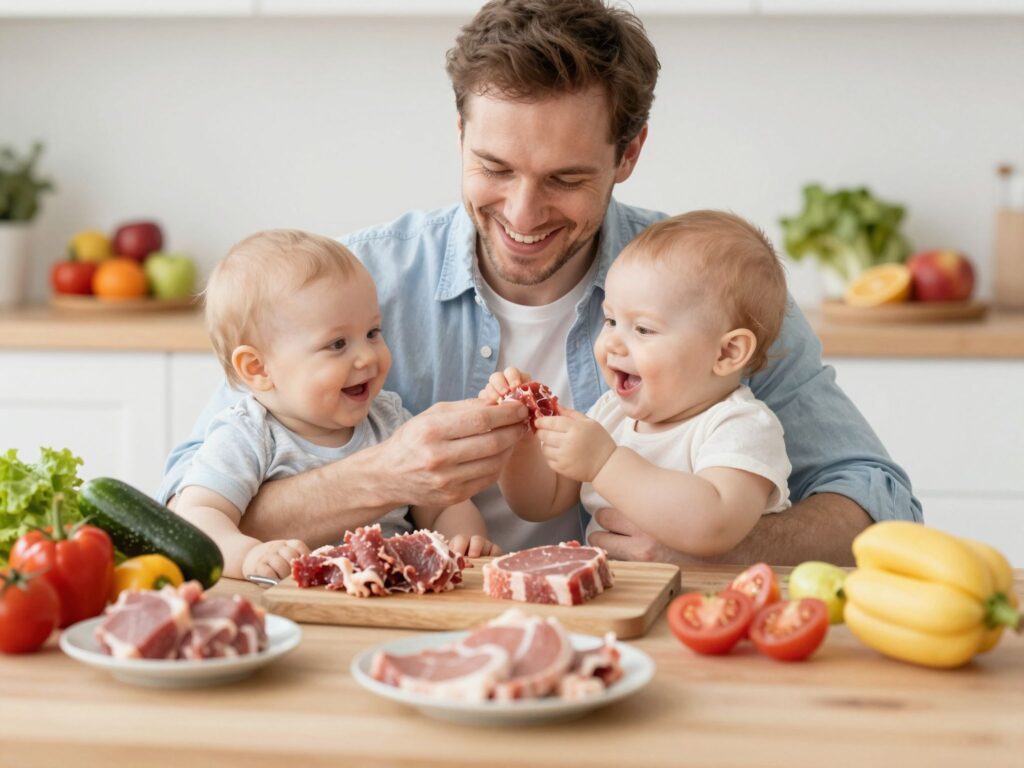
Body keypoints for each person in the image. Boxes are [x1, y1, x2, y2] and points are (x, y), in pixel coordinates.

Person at [159, 0, 920, 566]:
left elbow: (881, 503)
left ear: (629, 154)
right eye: (493, 168)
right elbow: (175, 518)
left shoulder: (714, 293)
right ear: (460, 135)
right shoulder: (354, 283)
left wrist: (715, 536)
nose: (522, 213)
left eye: (565, 178)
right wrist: (379, 475)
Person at [173, 229, 499, 580]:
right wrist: (249, 555)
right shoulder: (247, 434)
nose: (367, 357)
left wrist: (463, 540)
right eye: (338, 344)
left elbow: (441, 506)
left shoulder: (389, 419)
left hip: (392, 597)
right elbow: (198, 518)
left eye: (373, 333)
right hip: (296, 607)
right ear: (258, 368)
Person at [482, 211, 793, 557]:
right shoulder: (610, 414)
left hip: (707, 607)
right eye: (611, 319)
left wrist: (605, 463)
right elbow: (540, 504)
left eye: (643, 329)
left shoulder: (740, 426)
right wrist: (521, 441)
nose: (613, 342)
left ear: (727, 352)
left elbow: (714, 524)